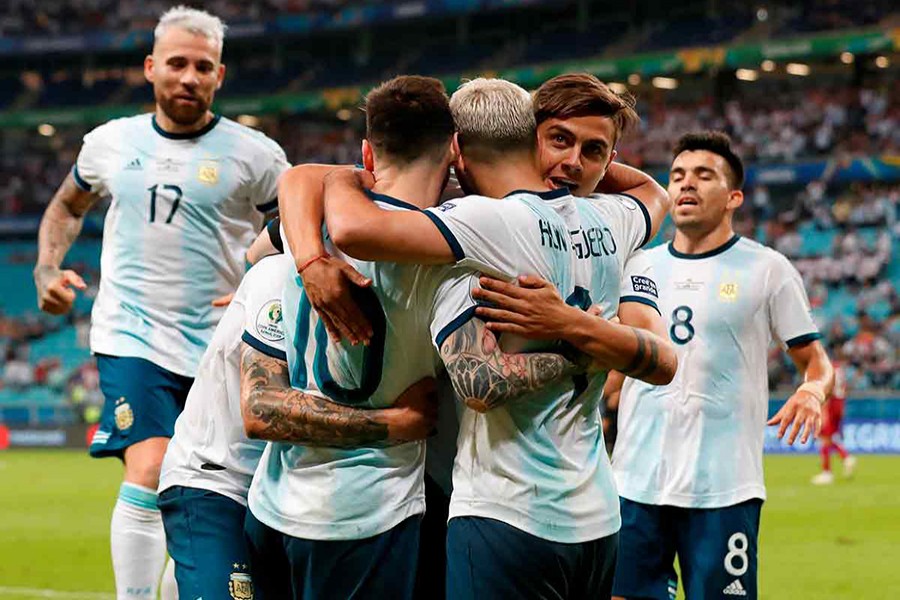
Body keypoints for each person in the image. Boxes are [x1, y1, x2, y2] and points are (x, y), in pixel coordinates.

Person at [314, 77, 676, 599]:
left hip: (507, 513)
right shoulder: (614, 219)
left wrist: (342, 178)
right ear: (531, 138)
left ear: (454, 146)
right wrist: (584, 159)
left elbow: (353, 229)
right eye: (560, 141)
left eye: (589, 151)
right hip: (596, 514)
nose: (573, 161)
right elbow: (652, 191)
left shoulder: (483, 222)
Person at [32, 7, 289, 598]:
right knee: (151, 469)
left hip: (220, 343)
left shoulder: (256, 155)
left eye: (203, 67)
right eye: (176, 63)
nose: (189, 77)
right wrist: (47, 266)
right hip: (132, 334)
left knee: (202, 489)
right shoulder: (108, 143)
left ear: (220, 75)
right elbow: (67, 206)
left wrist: (258, 271)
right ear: (151, 68)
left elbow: (297, 225)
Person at [604, 132, 833, 600]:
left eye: (703, 176)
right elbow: (619, 367)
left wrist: (812, 391)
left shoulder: (767, 269)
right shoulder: (638, 267)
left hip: (723, 490)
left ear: (734, 197)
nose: (686, 185)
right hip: (634, 482)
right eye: (678, 176)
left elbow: (817, 363)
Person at [157, 244, 440, 600]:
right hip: (218, 477)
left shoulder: (393, 280)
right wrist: (392, 424)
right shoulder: (278, 275)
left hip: (281, 485)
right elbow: (262, 409)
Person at [811, 353, 856, 484]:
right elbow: (844, 388)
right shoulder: (839, 368)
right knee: (830, 437)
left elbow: (827, 390)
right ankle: (845, 457)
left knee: (824, 438)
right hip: (840, 403)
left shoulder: (826, 368)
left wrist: (824, 410)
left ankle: (827, 473)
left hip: (831, 404)